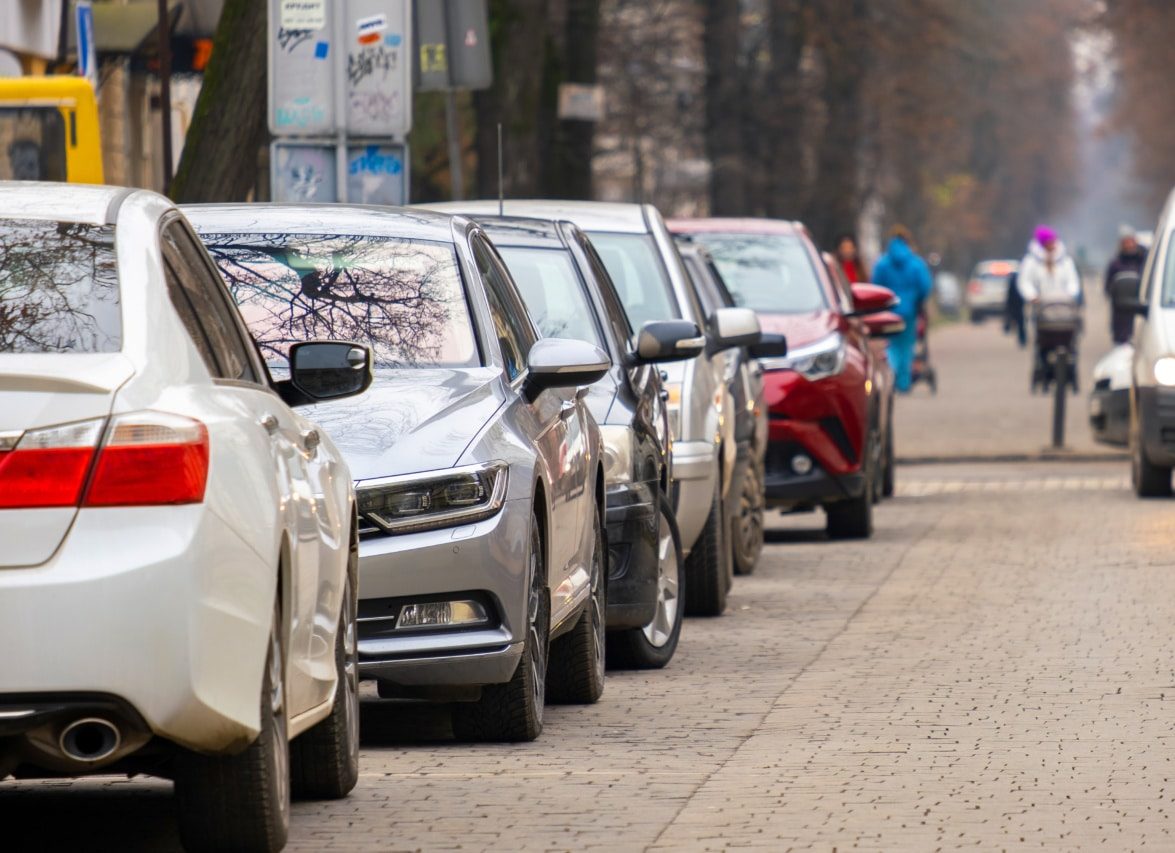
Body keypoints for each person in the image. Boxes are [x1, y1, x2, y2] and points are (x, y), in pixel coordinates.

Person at [872, 225, 932, 392]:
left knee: (891, 345)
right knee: (906, 347)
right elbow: (925, 286)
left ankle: (891, 377)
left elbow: (875, 285)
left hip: (889, 311)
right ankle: (903, 383)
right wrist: (917, 300)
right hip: (910, 312)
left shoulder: (882, 264)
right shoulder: (916, 263)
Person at [1104, 224, 1147, 344]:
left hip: (1145, 313)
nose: (1129, 244)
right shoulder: (1115, 264)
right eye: (1125, 241)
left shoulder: (1146, 261)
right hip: (1122, 317)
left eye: (1131, 241)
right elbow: (1108, 288)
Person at [1017, 226, 1080, 305]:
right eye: (1049, 242)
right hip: (1038, 305)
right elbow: (1025, 282)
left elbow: (1073, 280)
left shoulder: (1066, 261)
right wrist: (1032, 296)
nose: (1052, 244)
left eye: (1053, 241)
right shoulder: (1030, 262)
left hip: (1064, 304)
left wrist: (1071, 294)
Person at [1004, 269, 1026, 348]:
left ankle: (1008, 328)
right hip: (1018, 303)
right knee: (1020, 321)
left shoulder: (1015, 281)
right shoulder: (1020, 281)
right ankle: (1022, 338)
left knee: (1017, 319)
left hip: (1016, 303)